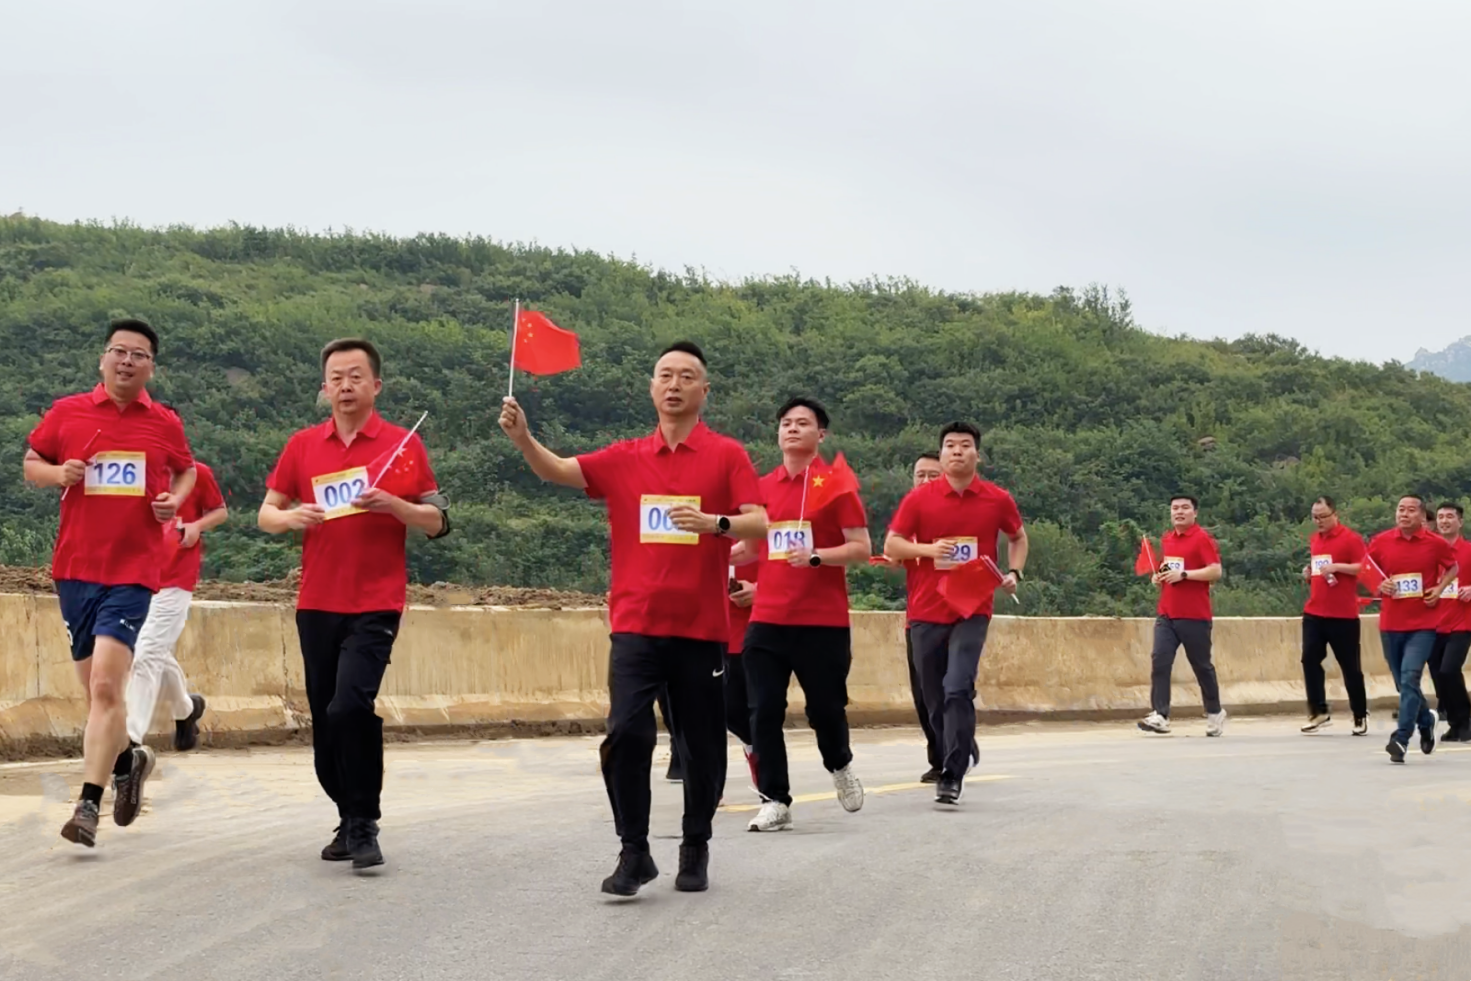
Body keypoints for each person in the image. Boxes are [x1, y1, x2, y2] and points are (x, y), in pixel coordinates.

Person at [499, 340, 765, 897]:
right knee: (625, 734)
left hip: (700, 629)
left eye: (686, 376)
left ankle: (695, 845)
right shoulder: (626, 457)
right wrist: (523, 438)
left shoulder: (726, 455)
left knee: (700, 746)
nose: (674, 384)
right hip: (635, 626)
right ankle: (634, 851)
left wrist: (714, 523)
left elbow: (760, 522)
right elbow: (559, 470)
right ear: (651, 388)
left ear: (703, 390)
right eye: (665, 375)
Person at [258, 338, 449, 870]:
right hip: (317, 602)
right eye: (336, 378)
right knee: (325, 722)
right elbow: (266, 513)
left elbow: (438, 522)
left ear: (376, 385)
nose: (345, 386)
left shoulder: (402, 444)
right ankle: (346, 815)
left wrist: (394, 505)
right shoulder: (303, 445)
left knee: (349, 706)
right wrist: (291, 517)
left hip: (376, 601)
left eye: (356, 376)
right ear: (325, 388)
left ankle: (364, 822)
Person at [24, 318, 197, 847]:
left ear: (151, 367)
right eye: (119, 351)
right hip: (75, 571)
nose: (127, 361)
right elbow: (32, 462)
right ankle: (128, 761)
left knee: (105, 686)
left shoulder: (163, 423)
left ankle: (86, 806)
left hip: (133, 572)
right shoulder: (68, 412)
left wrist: (173, 501)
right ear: (103, 359)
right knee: (95, 694)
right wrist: (59, 474)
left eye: (138, 354)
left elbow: (186, 470)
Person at [739, 398, 870, 833]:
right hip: (767, 619)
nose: (792, 429)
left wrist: (816, 556)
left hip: (821, 621)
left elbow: (861, 548)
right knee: (763, 710)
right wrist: (702, 547)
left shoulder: (836, 486)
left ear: (821, 434)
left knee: (825, 710)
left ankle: (840, 764)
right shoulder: (761, 488)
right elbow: (750, 549)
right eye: (786, 423)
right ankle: (775, 799)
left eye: (803, 423)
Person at [884, 422, 1027, 805]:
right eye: (950, 445)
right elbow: (893, 544)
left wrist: (1014, 572)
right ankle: (958, 742)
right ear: (942, 453)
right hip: (926, 610)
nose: (957, 451)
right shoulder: (919, 499)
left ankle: (952, 773)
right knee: (933, 699)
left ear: (977, 454)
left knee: (958, 687)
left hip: (973, 609)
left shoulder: (997, 499)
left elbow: (1017, 536)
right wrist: (930, 550)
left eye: (965, 445)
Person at [124, 407, 226, 754]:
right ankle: (186, 709)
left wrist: (196, 526)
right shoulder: (133, 471)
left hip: (176, 577)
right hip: (136, 576)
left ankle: (129, 739)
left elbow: (220, 511)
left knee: (146, 653)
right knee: (149, 650)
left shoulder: (197, 474)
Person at [1367, 497, 1457, 764]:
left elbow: (1453, 567)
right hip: (1391, 625)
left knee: (1409, 678)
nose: (1404, 514)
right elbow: (1366, 569)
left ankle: (1401, 738)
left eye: (1410, 511)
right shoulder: (1382, 541)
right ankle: (1426, 720)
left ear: (1421, 516)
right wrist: (1379, 585)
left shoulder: (1435, 543)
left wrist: (1439, 589)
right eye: (1400, 510)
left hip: (1423, 625)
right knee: (1402, 684)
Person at [1137, 495, 1227, 737]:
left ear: (1194, 513)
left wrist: (1185, 575)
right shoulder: (1168, 539)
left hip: (1194, 614)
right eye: (1175, 508)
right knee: (1160, 660)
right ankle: (1160, 714)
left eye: (1185, 508)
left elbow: (1215, 571)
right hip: (1167, 612)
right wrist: (1159, 576)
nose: (1179, 512)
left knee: (1201, 665)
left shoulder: (1202, 539)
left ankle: (1214, 711)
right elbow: (1170, 566)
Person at [1299, 496, 1368, 735]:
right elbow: (1320, 570)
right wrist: (1310, 573)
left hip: (1343, 615)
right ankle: (1318, 711)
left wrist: (1338, 567)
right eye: (1315, 517)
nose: (1318, 521)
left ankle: (1359, 714)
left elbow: (1363, 568)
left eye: (1323, 517)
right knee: (1309, 659)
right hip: (1314, 611)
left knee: (1350, 666)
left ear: (1335, 514)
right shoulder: (1315, 539)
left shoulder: (1351, 539)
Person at [1429, 502, 1471, 742]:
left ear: (1460, 522)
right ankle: (1455, 724)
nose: (1444, 521)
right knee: (1438, 675)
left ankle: (1465, 721)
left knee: (1449, 670)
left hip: (1462, 623)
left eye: (1450, 517)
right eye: (1441, 517)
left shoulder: (1468, 551)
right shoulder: (1430, 553)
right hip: (1434, 624)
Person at [725, 559, 760, 797]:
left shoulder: (763, 536)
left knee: (756, 715)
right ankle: (706, 787)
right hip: (708, 630)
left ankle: (770, 786)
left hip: (756, 631)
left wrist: (761, 590)